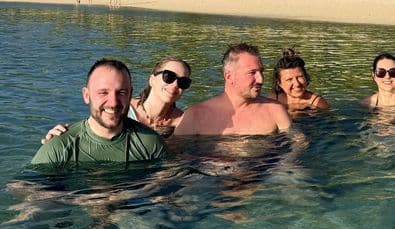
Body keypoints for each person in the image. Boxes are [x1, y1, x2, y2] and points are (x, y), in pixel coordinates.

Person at [31, 58, 169, 167]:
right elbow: (28, 193)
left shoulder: (150, 143)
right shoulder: (60, 147)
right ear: (86, 95)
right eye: (103, 92)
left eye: (121, 92)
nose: (113, 102)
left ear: (130, 94)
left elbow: (168, 190)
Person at [174, 44, 292, 137]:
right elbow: (175, 159)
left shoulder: (275, 111)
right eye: (252, 73)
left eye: (261, 72)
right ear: (229, 76)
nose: (260, 79)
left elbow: (296, 151)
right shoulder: (196, 115)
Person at [129, 56, 192, 137]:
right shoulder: (124, 109)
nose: (175, 85)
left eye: (183, 82)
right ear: (152, 80)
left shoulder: (181, 123)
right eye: (169, 76)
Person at [269, 48, 329, 113]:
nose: (297, 83)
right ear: (279, 83)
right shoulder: (273, 99)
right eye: (289, 79)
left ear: (306, 77)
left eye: (300, 77)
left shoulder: (318, 103)